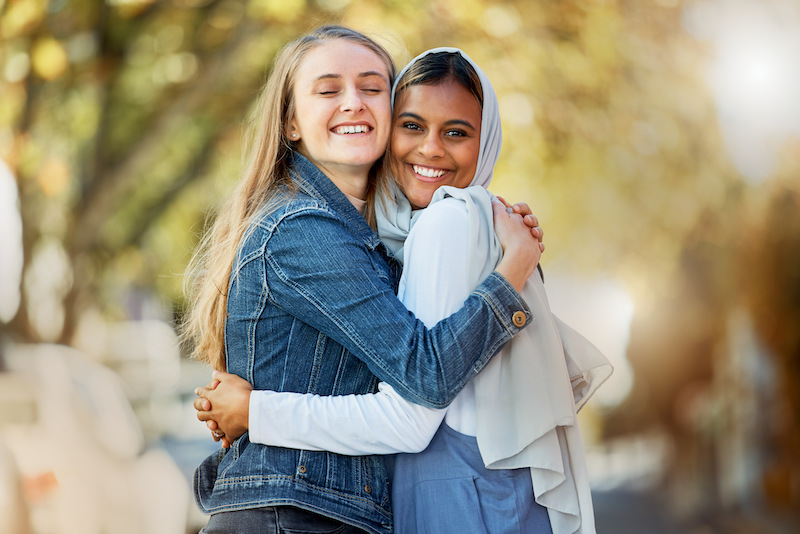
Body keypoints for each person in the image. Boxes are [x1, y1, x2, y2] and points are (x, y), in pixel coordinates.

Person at [195, 49, 613, 534]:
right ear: (290, 122)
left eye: (371, 88)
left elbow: (414, 396)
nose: (431, 148)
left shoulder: (434, 225)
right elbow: (423, 380)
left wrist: (254, 411)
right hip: (292, 516)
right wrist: (513, 270)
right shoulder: (316, 229)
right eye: (329, 90)